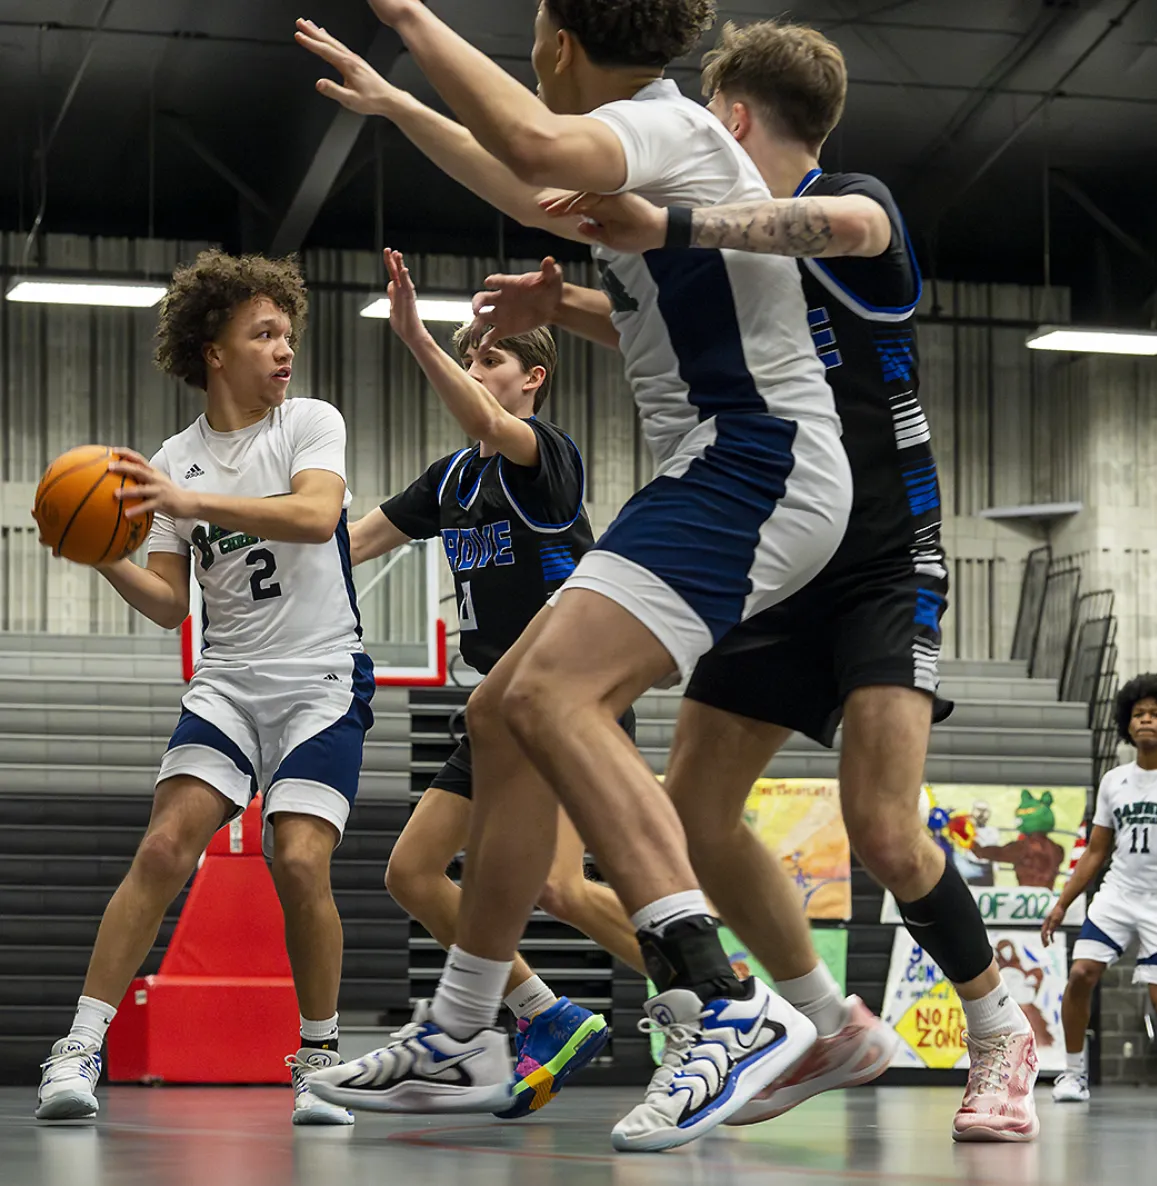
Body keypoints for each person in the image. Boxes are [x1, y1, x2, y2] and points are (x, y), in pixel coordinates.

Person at [466, 19, 1040, 1144]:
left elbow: (846, 224)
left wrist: (672, 215)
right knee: (693, 812)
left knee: (881, 824)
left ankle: (997, 1029)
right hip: (772, 545)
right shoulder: (717, 236)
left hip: (880, 555)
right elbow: (656, 314)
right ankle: (821, 1021)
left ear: (726, 117)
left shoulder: (847, 202)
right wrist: (560, 309)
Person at [297, 0, 852, 1152]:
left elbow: (538, 150)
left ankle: (725, 999)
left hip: (760, 462)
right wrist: (399, 99)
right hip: (726, 463)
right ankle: (464, 1029)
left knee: (549, 697)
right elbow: (522, 183)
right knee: (505, 710)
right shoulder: (641, 142)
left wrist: (408, 16)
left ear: (555, 42)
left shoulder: (664, 129)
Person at [34, 250, 373, 1126]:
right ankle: (79, 1047)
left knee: (297, 857)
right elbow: (168, 605)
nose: (283, 350)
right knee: (159, 849)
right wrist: (100, 550)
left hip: (319, 678)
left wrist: (190, 508)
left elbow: (316, 516)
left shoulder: (309, 424)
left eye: (287, 334)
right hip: (227, 683)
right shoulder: (172, 460)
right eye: (263, 334)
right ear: (213, 350)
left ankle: (320, 1059)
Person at [347, 249, 643, 1117]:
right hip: (496, 707)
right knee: (412, 872)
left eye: (490, 358)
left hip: (566, 697)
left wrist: (418, 341)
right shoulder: (452, 480)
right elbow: (351, 541)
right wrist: (237, 526)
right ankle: (543, 1013)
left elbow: (482, 414)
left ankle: (725, 994)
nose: (477, 368)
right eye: (469, 354)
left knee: (563, 887)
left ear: (532, 378)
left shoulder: (542, 456)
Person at [1043, 673, 1157, 1102]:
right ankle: (1073, 1074)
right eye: (1138, 714)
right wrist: (1062, 904)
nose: (1146, 720)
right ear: (1127, 724)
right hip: (1118, 894)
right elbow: (1095, 852)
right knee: (1080, 974)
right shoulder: (1115, 781)